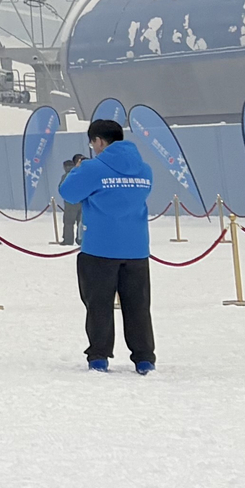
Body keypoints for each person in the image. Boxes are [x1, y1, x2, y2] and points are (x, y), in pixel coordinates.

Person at [60, 121, 156, 374]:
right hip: (136, 248)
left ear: (99, 141)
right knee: (138, 305)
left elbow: (68, 193)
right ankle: (144, 357)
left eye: (93, 143)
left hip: (100, 247)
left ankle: (99, 356)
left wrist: (77, 171)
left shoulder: (93, 168)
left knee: (98, 304)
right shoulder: (144, 170)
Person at [56, 155, 87, 246]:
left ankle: (68, 240)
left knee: (68, 222)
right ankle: (80, 239)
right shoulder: (81, 174)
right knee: (80, 222)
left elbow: (61, 188)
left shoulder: (66, 176)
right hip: (81, 202)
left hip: (70, 203)